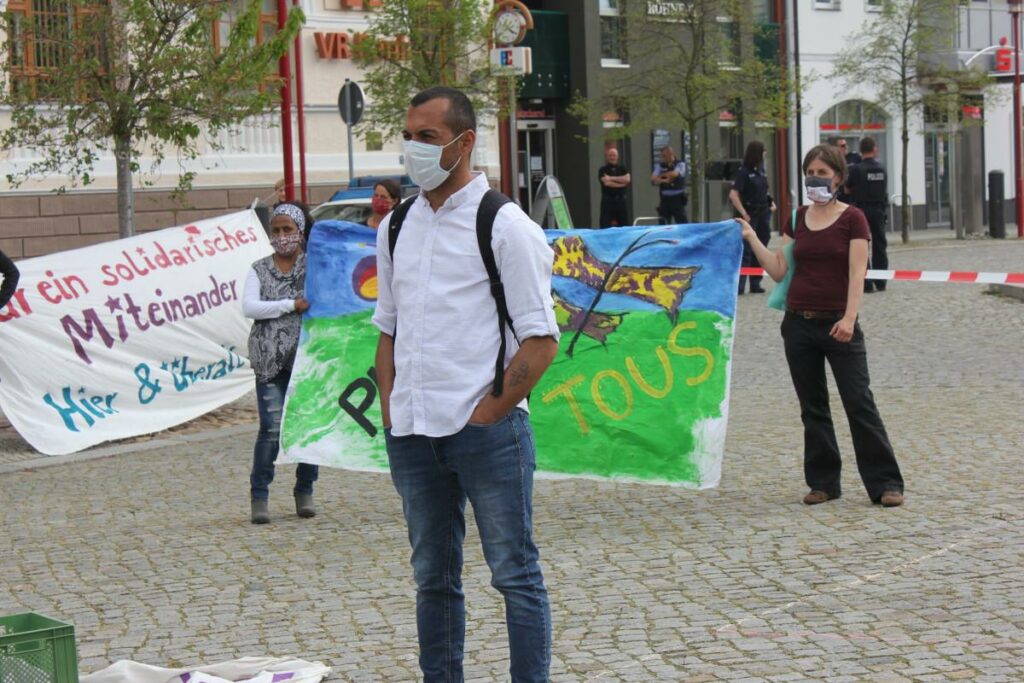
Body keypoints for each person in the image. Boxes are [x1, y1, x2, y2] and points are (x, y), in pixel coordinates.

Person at [373, 86, 559, 682]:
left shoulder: (506, 226)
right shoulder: (397, 224)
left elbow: (541, 338)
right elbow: (388, 329)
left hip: (487, 434)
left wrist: (491, 411)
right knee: (433, 578)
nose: (413, 149)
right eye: (408, 136)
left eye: (426, 137)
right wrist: (390, 410)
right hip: (413, 432)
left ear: (464, 142)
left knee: (514, 574)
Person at [737, 144, 904, 508]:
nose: (816, 177)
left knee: (858, 401)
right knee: (812, 406)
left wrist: (849, 318)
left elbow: (858, 271)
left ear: (839, 178)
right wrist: (752, 239)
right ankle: (824, 482)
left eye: (823, 172)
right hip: (798, 324)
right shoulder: (797, 218)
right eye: (810, 171)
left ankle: (886, 482)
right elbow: (780, 269)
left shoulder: (853, 218)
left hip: (838, 325)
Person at [243, 201, 319, 525]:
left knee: (306, 429)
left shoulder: (313, 267)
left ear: (300, 232)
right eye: (276, 230)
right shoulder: (258, 269)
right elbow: (250, 306)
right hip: (269, 359)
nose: (281, 236)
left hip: (306, 359)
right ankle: (259, 495)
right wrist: (290, 305)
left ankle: (305, 489)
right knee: (271, 429)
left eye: (287, 229)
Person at [729, 140, 776, 295]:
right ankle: (740, 285)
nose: (765, 154)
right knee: (746, 249)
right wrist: (743, 213)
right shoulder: (744, 172)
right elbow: (734, 194)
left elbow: (764, 190)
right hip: (750, 214)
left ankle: (755, 282)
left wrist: (771, 203)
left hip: (763, 213)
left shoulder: (761, 170)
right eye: (763, 151)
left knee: (761, 245)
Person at [845, 137, 889, 292]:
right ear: (874, 149)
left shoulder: (856, 169)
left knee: (861, 246)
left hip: (861, 209)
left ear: (861, 150)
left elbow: (847, 188)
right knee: (880, 245)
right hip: (878, 209)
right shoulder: (882, 168)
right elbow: (884, 191)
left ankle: (867, 282)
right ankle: (882, 280)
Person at [650, 146, 687, 224]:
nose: (663, 158)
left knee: (681, 221)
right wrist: (664, 180)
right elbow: (653, 178)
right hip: (665, 199)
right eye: (662, 156)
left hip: (677, 199)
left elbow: (674, 174)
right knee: (663, 222)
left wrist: (661, 175)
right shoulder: (661, 165)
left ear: (670, 154)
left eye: (664, 155)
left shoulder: (680, 164)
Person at [597, 146, 631, 227]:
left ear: (617, 157)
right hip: (608, 201)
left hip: (621, 201)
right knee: (605, 225)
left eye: (614, 155)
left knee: (624, 226)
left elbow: (627, 179)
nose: (612, 157)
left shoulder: (622, 168)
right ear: (607, 157)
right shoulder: (603, 170)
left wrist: (611, 178)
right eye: (610, 155)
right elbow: (607, 183)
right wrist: (622, 183)